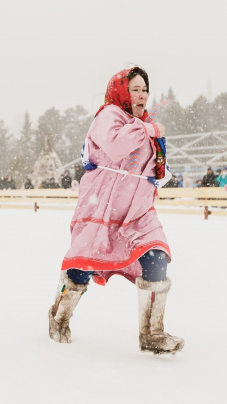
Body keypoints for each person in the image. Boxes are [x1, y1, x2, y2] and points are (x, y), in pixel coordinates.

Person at [48, 66, 183, 354]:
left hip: (138, 210)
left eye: (145, 90)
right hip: (104, 207)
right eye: (135, 89)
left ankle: (152, 334)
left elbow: (156, 168)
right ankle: (59, 317)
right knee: (83, 266)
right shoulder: (110, 115)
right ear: (121, 91)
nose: (142, 95)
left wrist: (161, 166)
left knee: (157, 256)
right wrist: (149, 129)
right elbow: (118, 146)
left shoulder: (145, 124)